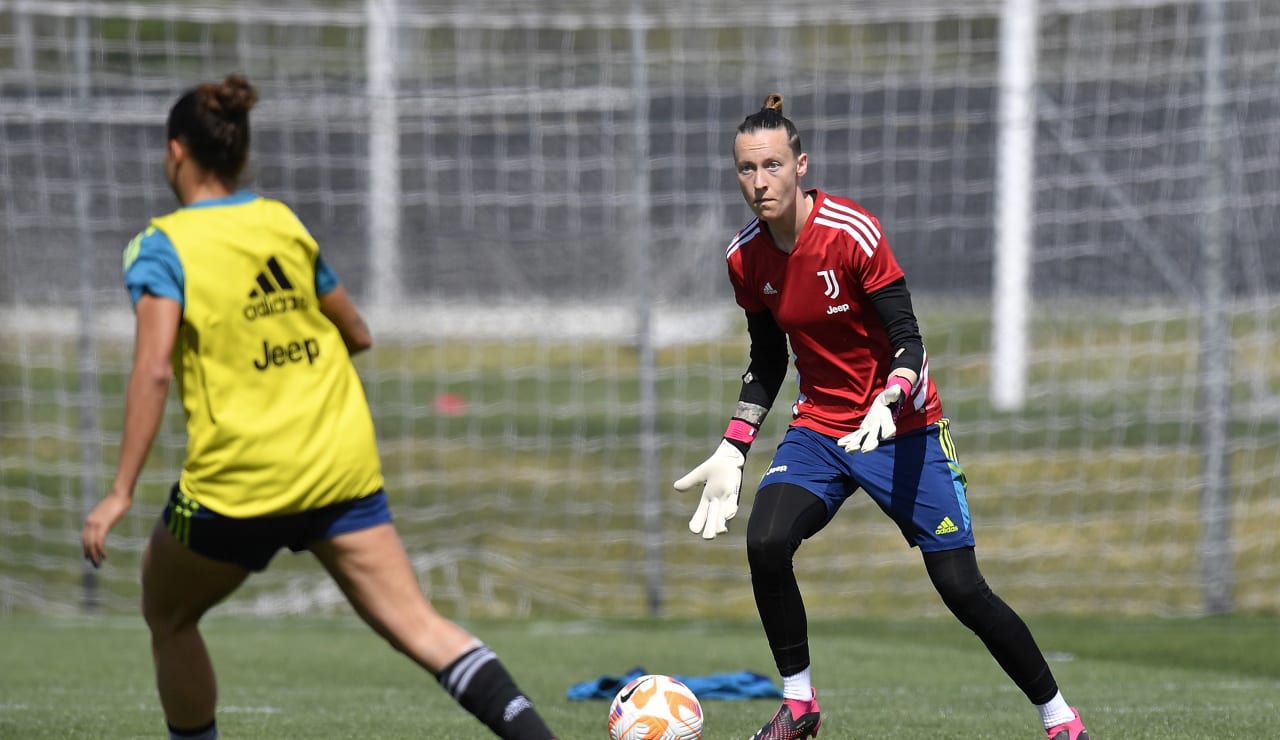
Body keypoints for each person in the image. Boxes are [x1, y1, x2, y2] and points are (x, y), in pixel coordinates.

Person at [79, 74, 558, 740]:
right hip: (337, 462)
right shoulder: (281, 223)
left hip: (240, 482)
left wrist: (119, 492)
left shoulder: (162, 246)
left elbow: (154, 368)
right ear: (239, 154)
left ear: (176, 153)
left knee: (168, 614)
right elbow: (356, 331)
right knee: (419, 626)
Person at [674, 93, 1091, 740]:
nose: (760, 183)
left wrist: (892, 396)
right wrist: (734, 445)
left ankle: (1060, 718)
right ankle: (800, 706)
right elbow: (766, 358)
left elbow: (908, 339)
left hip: (905, 428)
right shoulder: (744, 257)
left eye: (773, 166)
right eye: (746, 170)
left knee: (961, 588)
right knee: (766, 540)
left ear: (801, 165)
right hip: (820, 429)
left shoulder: (852, 234)